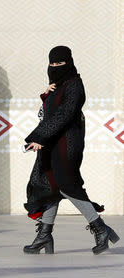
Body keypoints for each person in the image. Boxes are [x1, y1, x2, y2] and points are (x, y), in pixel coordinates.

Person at [23, 46, 120, 255]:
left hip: (67, 145)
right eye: (52, 64)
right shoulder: (55, 87)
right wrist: (45, 96)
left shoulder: (75, 85)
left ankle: (101, 228)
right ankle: (44, 236)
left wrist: (39, 136)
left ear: (69, 62)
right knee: (50, 188)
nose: (56, 67)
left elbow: (64, 115)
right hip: (51, 144)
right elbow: (47, 114)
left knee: (67, 185)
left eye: (60, 63)